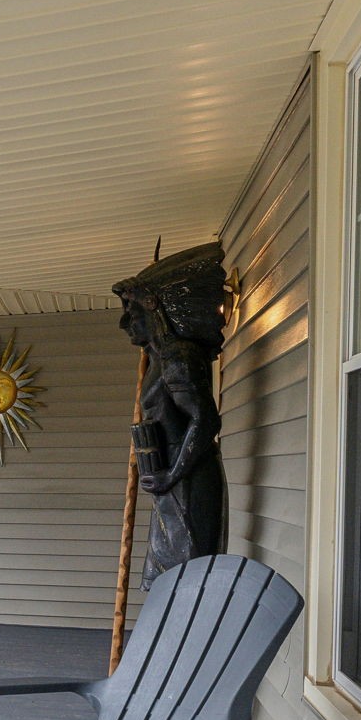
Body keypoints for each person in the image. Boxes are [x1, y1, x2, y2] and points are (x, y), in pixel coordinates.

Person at [111, 243, 230, 588]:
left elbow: (205, 421)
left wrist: (171, 475)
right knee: (166, 579)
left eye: (132, 312)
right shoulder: (159, 359)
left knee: (186, 580)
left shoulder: (178, 357)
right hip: (171, 480)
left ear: (154, 311)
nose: (124, 323)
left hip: (188, 480)